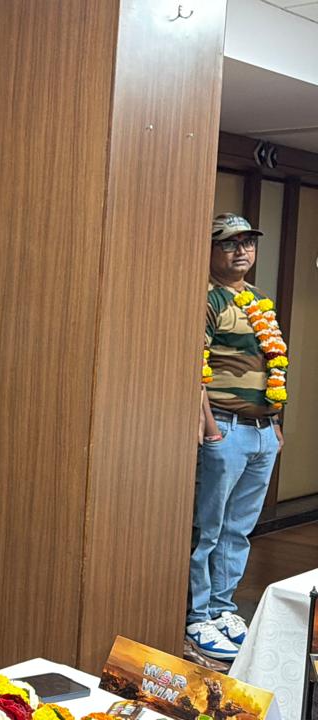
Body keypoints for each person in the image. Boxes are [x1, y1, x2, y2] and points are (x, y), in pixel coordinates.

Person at [186, 213, 286, 663]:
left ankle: (223, 608)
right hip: (224, 428)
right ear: (210, 250)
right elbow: (194, 366)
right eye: (229, 243)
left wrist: (275, 422)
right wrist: (209, 429)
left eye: (247, 242)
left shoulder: (259, 299)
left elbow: (271, 364)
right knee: (208, 528)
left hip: (261, 432)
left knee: (239, 530)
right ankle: (197, 616)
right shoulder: (207, 299)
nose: (241, 250)